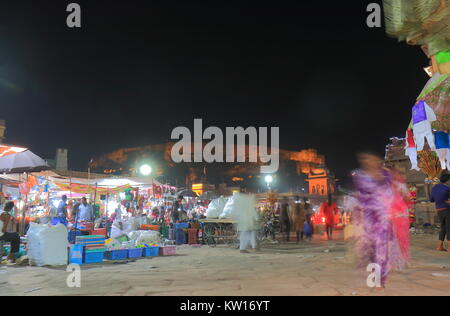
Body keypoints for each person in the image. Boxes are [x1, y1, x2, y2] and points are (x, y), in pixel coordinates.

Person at [352, 151, 409, 289]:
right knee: (370, 248)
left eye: (372, 159)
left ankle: (380, 280)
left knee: (382, 248)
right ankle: (374, 275)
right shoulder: (359, 176)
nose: (369, 162)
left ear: (377, 160)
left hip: (384, 218)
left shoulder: (387, 175)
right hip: (368, 217)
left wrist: (400, 199)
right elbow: (359, 196)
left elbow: (397, 191)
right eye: (366, 159)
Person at [430, 173, 450, 252]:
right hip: (447, 209)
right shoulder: (448, 188)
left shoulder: (434, 188)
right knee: (449, 227)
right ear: (448, 181)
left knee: (443, 227)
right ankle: (449, 248)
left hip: (439, 210)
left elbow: (431, 199)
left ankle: (439, 247)